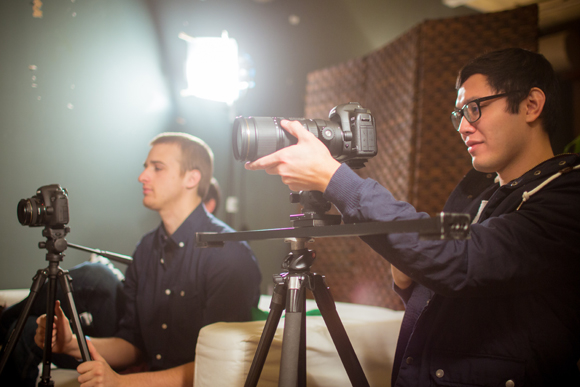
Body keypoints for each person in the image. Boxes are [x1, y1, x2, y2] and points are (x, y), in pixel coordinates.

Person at [245, 48, 580, 386]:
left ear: (532, 105)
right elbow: (465, 290)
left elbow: (460, 262)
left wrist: (333, 179)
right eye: (459, 114)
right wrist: (410, 279)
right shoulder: (480, 196)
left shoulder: (567, 197)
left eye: (475, 108)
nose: (463, 126)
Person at [36, 132, 262, 386]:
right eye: (146, 168)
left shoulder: (229, 254)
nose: (142, 176)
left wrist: (121, 383)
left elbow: (219, 365)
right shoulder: (146, 249)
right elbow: (133, 344)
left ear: (192, 178)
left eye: (157, 168)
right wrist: (71, 344)